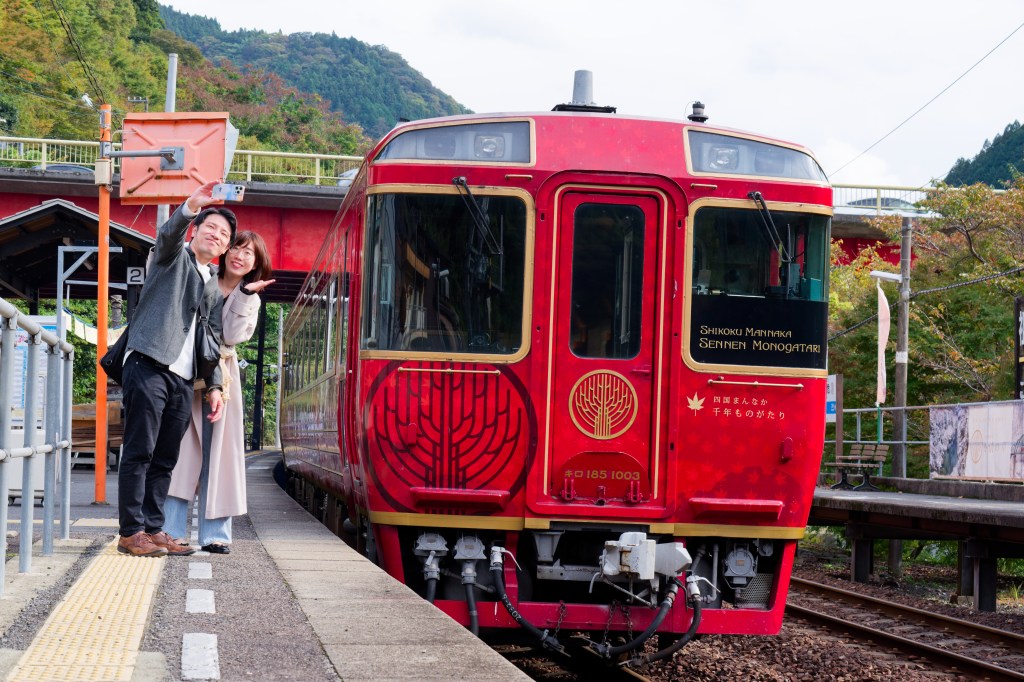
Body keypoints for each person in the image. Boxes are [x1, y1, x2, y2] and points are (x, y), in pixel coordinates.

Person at [117, 181, 233, 557]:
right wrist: (189, 207)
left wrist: (214, 385)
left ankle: (154, 529)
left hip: (183, 379)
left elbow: (211, 339)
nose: (216, 235)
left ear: (225, 248)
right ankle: (130, 532)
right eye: (210, 227)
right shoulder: (172, 257)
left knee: (166, 458)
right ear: (195, 231)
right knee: (140, 451)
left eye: (224, 235)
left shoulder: (213, 285)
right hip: (149, 364)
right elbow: (167, 236)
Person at [164, 231, 274, 554]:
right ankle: (170, 530)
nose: (240, 256)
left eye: (249, 253)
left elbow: (231, 335)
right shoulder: (203, 276)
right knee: (180, 453)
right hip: (186, 369)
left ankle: (215, 534)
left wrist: (244, 295)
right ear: (226, 251)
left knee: (220, 456)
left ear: (256, 263)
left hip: (222, 379)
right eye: (237, 247)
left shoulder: (250, 297)